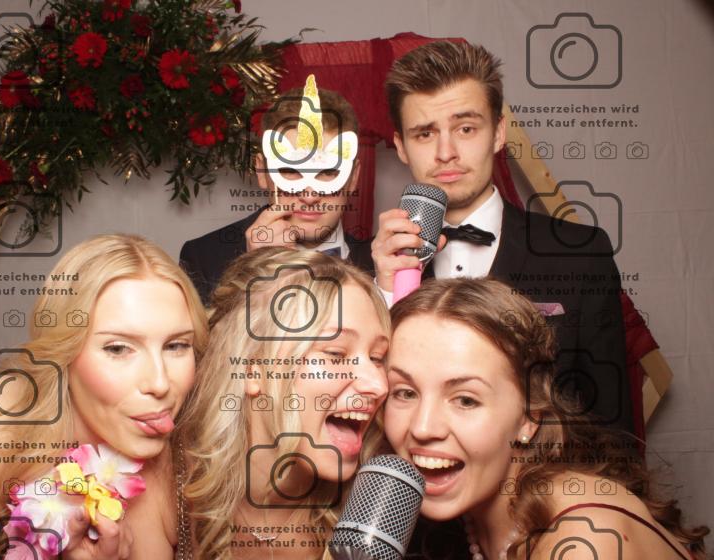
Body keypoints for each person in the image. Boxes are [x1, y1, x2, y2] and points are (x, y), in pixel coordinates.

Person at [0, 234, 209, 559]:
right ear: (62, 352)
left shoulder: (169, 447)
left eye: (176, 345)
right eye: (118, 349)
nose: (160, 383)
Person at [372, 40, 633, 434]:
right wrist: (385, 293)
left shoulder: (579, 254)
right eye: (425, 134)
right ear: (401, 147)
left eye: (465, 128)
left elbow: (611, 425)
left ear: (498, 133)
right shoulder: (369, 268)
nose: (446, 152)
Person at [384, 277, 708, 560]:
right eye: (405, 393)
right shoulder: (467, 512)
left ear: (529, 419)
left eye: (466, 400)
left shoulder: (583, 539)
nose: (423, 427)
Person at [177, 247, 390, 559]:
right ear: (252, 369)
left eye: (378, 358)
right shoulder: (167, 487)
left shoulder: (370, 512)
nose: (378, 385)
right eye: (335, 354)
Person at [180, 75, 374, 304]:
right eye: (290, 170)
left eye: (328, 172)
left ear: (353, 178)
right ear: (262, 172)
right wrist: (255, 273)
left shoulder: (381, 266)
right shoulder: (204, 258)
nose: (310, 196)